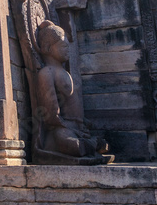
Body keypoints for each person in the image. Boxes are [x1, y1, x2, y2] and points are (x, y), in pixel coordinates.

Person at [35, 20, 107, 158]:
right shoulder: (46, 73)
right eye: (63, 45)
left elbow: (73, 106)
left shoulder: (66, 73)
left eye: (68, 45)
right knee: (70, 144)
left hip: (76, 129)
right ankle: (89, 144)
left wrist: (83, 124)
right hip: (61, 129)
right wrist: (68, 127)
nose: (67, 48)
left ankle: (88, 143)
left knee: (97, 143)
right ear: (47, 48)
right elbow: (50, 113)